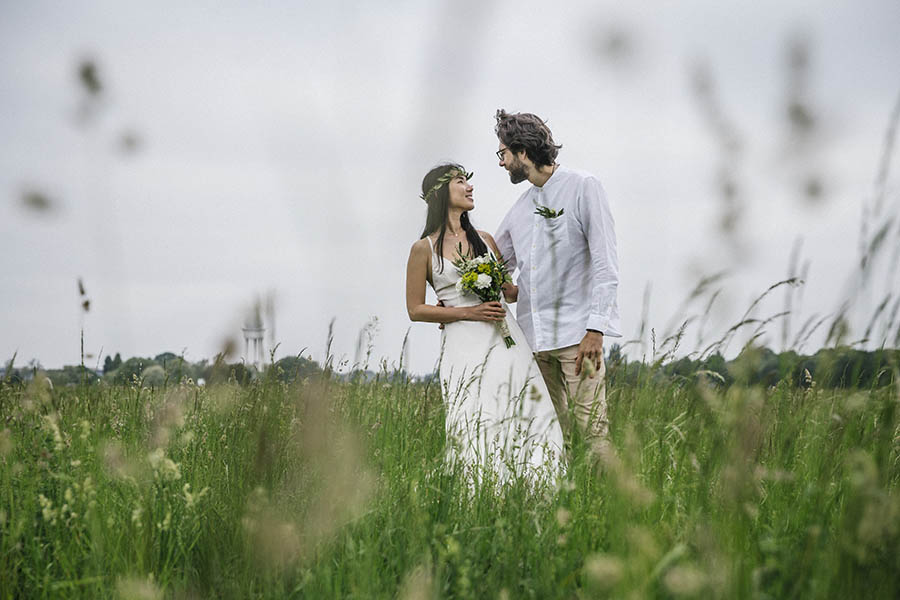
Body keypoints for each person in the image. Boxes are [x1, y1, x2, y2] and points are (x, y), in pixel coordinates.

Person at [406, 163, 564, 484]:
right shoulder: (423, 249)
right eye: (461, 181)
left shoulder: (486, 240)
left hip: (508, 342)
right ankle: (481, 492)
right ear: (440, 193)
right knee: (476, 417)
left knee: (525, 410)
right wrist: (467, 313)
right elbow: (416, 309)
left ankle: (539, 484)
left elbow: (510, 292)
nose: (469, 187)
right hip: (463, 347)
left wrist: (552, 271)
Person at [493, 109, 621, 463]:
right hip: (534, 343)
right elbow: (495, 262)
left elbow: (606, 264)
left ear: (521, 151)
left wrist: (596, 329)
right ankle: (561, 508)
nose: (501, 163)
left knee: (593, 432)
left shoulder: (584, 187)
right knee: (547, 435)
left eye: (502, 153)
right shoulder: (519, 209)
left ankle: (603, 508)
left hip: (579, 339)